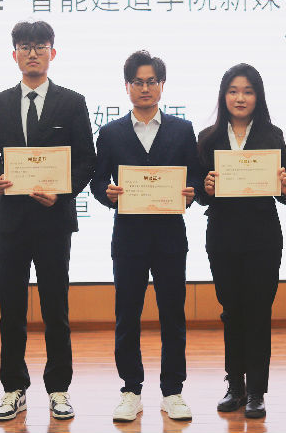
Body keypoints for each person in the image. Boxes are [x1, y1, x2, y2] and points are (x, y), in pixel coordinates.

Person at [0, 21, 95, 421]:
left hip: (53, 220)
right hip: (11, 222)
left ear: (52, 53)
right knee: (10, 310)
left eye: (40, 46)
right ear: (14, 54)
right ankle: (13, 388)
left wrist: (63, 192)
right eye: (25, 46)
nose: (32, 53)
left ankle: (59, 388)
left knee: (55, 310)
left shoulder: (72, 102)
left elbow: (86, 160)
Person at [91, 50, 200, 422]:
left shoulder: (182, 129)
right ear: (127, 86)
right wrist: (106, 193)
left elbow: (196, 176)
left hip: (170, 238)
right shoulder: (111, 132)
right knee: (127, 315)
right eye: (137, 81)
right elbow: (97, 181)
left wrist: (191, 191)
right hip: (129, 239)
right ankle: (131, 390)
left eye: (151, 81)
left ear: (162, 85)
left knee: (173, 315)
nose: (145, 88)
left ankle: (173, 391)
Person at [197, 63, 286, 418]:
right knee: (231, 311)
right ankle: (234, 385)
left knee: (258, 312)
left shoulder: (272, 136)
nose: (240, 98)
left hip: (262, 239)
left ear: (258, 96)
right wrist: (206, 188)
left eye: (248, 91)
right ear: (224, 95)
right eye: (234, 91)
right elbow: (200, 195)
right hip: (223, 238)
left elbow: (283, 194)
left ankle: (256, 390)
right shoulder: (208, 138)